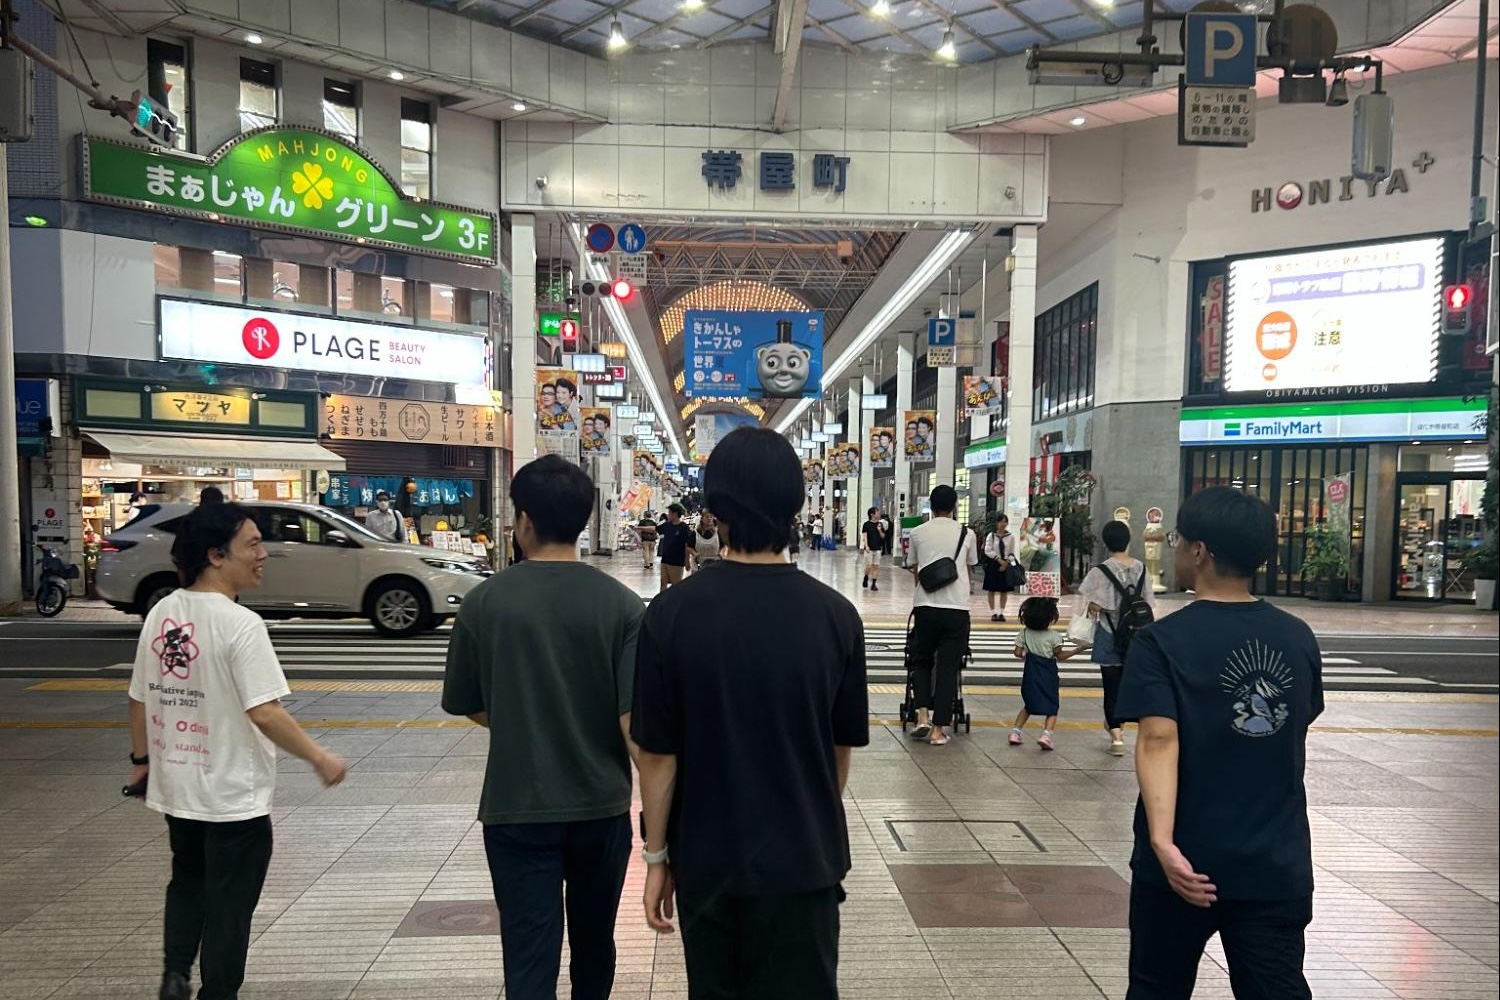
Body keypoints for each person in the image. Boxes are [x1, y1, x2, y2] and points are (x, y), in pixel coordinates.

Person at [632, 427, 869, 997]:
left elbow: (658, 758)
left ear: (715, 508)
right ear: (796, 505)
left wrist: (657, 856)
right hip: (805, 863)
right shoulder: (836, 617)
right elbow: (838, 755)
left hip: (709, 861)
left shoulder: (670, 616)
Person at [442, 455, 645, 1000]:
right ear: (584, 521)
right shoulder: (624, 607)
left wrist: (521, 719)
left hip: (516, 808)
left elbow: (466, 702)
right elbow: (636, 721)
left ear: (524, 521)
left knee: (529, 955)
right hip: (601, 808)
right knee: (595, 946)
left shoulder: (483, 603)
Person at [127, 502, 347, 1000]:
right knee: (230, 906)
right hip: (232, 797)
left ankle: (175, 975)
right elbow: (264, 712)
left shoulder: (162, 611)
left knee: (188, 880)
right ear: (216, 556)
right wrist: (319, 757)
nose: (263, 554)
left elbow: (138, 697)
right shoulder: (241, 624)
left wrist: (142, 763)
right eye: (252, 544)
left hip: (179, 787)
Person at [1116, 487, 1323, 1000]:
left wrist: (1163, 843)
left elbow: (1158, 739)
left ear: (1200, 551)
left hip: (1184, 859)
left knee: (1157, 989)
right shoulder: (1297, 637)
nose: (1175, 547)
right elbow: (1300, 720)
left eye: (1178, 539)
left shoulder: (1160, 642)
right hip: (1274, 859)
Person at [904, 484, 980, 747]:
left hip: (925, 605)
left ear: (931, 505)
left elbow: (914, 567)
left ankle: (922, 716)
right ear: (954, 506)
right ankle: (938, 730)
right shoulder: (967, 534)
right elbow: (971, 565)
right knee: (948, 667)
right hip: (956, 608)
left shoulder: (918, 532)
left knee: (921, 660)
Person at [1077, 519, 1158, 756]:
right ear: (1128, 541)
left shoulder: (1099, 571)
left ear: (1106, 543)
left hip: (1109, 634)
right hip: (1137, 636)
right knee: (1128, 685)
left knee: (1111, 687)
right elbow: (1149, 602)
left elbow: (1094, 604)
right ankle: (1120, 726)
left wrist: (1097, 606)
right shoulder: (1142, 569)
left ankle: (1117, 738)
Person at [1008, 597, 1088, 751]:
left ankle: (1015, 733)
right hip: (1048, 675)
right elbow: (1060, 656)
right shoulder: (1054, 636)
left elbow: (1017, 653)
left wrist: (1026, 654)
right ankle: (1046, 735)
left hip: (1030, 675)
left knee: (1028, 705)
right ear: (1050, 618)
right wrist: (1079, 649)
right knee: (1052, 707)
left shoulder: (1024, 633)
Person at [982, 514, 1018, 622]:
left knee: (1004, 590)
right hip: (993, 564)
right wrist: (999, 560)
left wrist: (1007, 563)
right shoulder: (991, 536)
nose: (1003, 524)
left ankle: (1001, 613)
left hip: (1006, 564)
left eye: (1005, 522)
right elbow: (988, 550)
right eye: (1001, 521)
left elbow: (1011, 552)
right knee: (991, 589)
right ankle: (993, 613)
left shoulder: (1011, 537)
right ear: (997, 523)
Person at [657, 503, 694, 590]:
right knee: (663, 584)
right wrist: (640, 528)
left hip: (677, 562)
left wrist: (687, 561)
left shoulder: (684, 528)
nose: (668, 514)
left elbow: (687, 545)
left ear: (675, 514)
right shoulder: (667, 525)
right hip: (665, 560)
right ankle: (663, 598)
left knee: (676, 586)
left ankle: (674, 599)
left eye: (670, 512)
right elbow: (655, 529)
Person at [860, 507, 885, 592]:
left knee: (876, 566)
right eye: (877, 513)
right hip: (869, 549)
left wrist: (879, 530)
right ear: (872, 514)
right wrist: (866, 546)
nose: (879, 514)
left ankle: (874, 584)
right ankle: (866, 576)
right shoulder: (866, 524)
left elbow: (883, 536)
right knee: (869, 566)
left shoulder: (880, 524)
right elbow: (865, 536)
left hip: (877, 548)